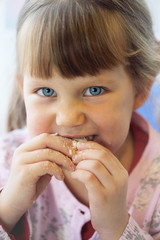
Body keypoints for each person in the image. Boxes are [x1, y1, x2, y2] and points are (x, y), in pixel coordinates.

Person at [0, 0, 160, 239]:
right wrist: (7, 209)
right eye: (46, 91)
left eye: (94, 90)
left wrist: (117, 228)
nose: (68, 119)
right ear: (24, 89)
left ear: (140, 88)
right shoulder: (6, 159)